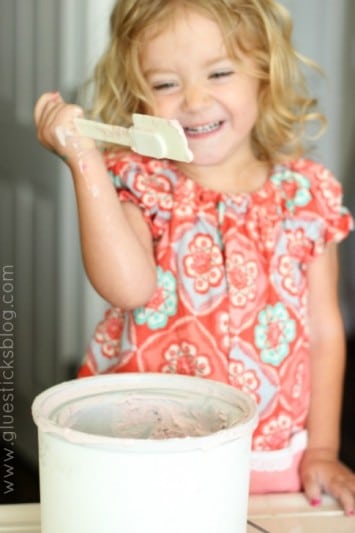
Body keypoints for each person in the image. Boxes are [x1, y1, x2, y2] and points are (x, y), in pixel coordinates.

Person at [34, 0, 355, 514]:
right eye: (165, 84)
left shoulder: (306, 196)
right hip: (147, 458)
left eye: (220, 72)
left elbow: (324, 330)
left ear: (264, 76)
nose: (195, 100)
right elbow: (127, 287)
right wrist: (85, 164)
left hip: (270, 462)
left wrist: (322, 450)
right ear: (138, 94)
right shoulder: (144, 184)